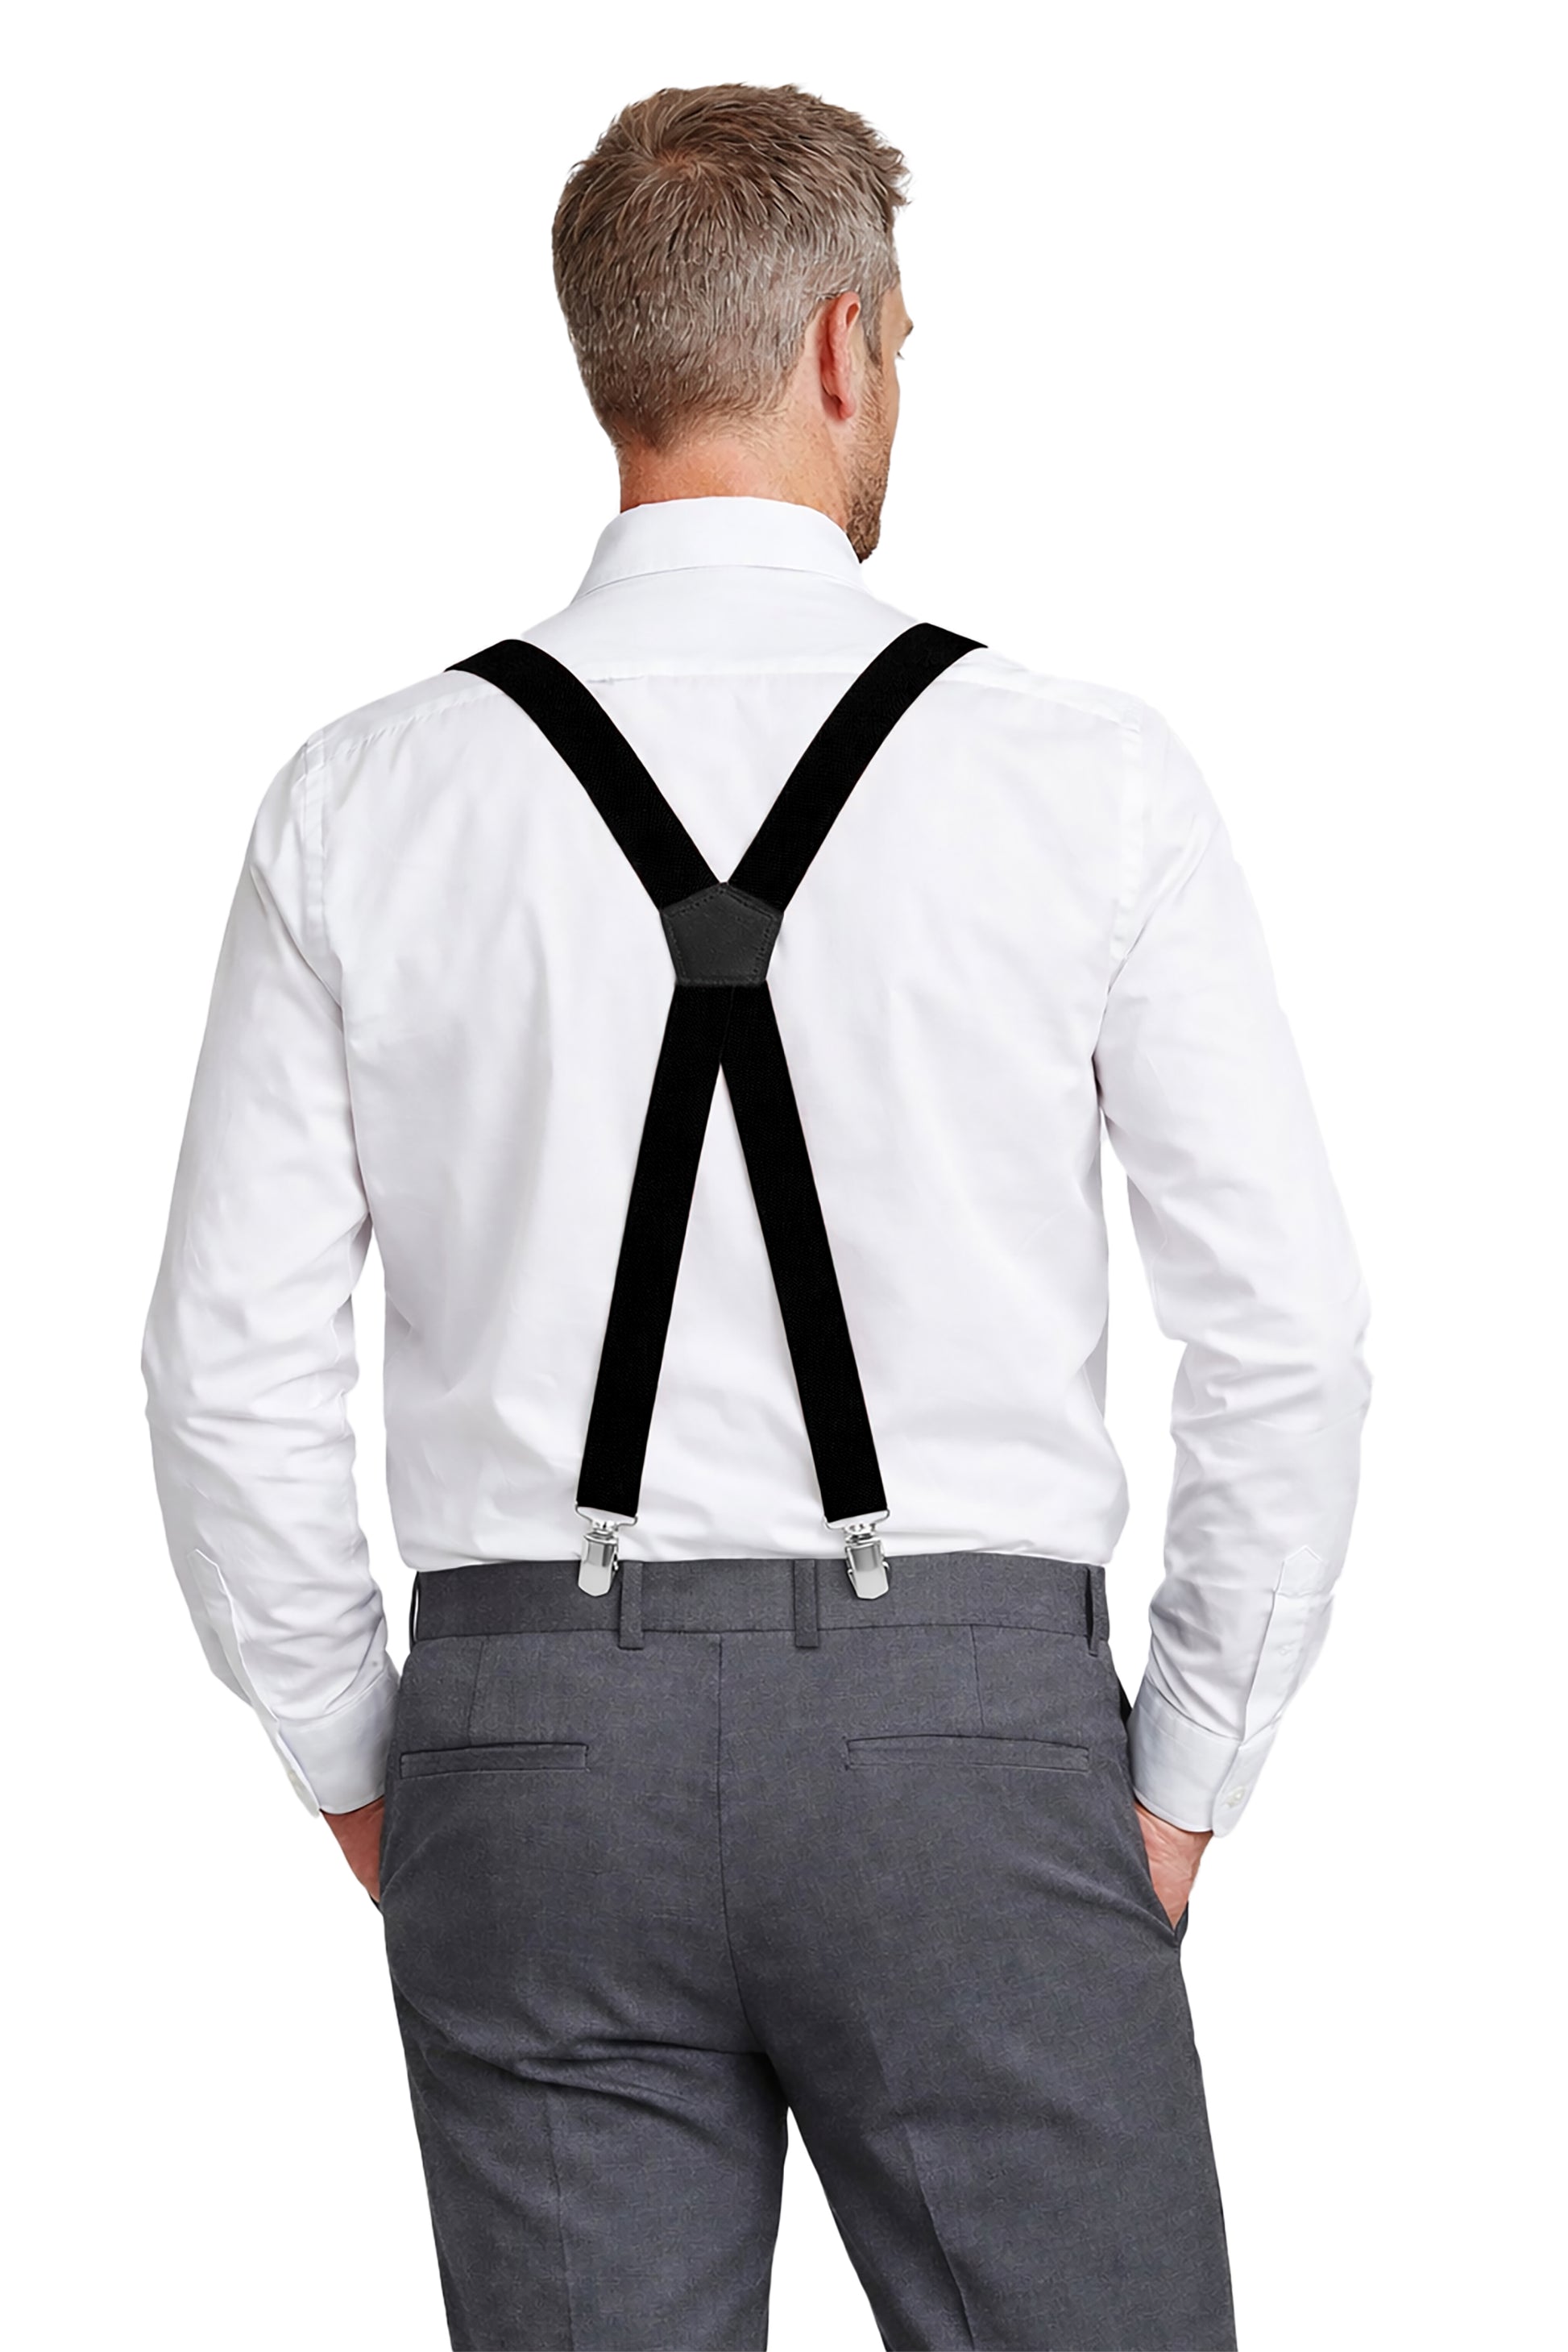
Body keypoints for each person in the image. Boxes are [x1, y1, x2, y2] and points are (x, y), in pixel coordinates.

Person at [143, 81, 1371, 2352]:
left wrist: (368, 1770)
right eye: (904, 335)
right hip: (967, 1747)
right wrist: (1186, 1778)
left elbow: (225, 1373)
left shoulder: (362, 797)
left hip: (528, 1751)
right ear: (840, 346)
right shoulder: (1083, 777)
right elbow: (1284, 1333)